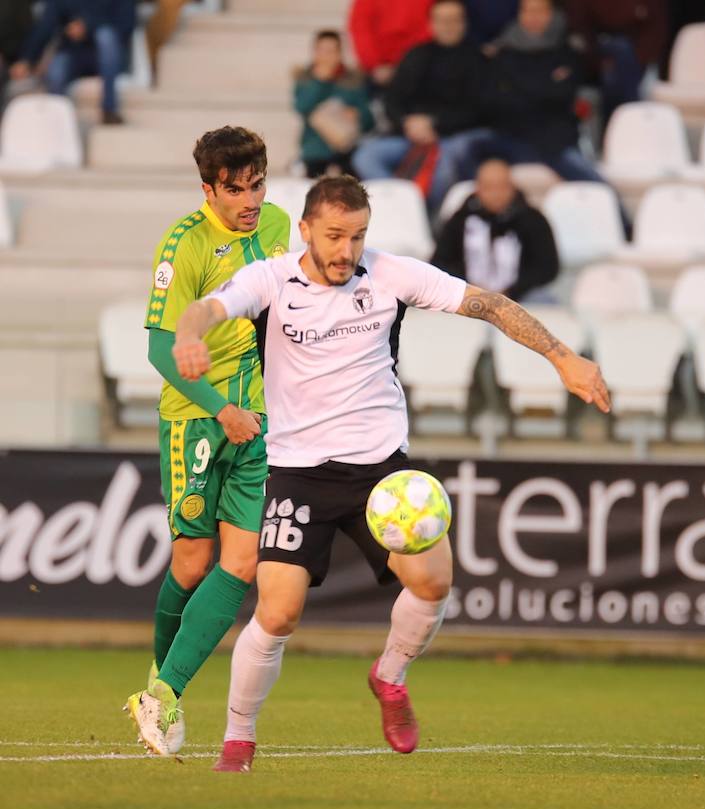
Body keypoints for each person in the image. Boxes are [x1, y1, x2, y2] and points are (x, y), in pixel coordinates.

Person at [165, 176, 610, 772]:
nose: (346, 249)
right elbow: (210, 307)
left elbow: (491, 305)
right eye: (333, 236)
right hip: (299, 471)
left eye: (357, 235)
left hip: (381, 470)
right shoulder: (272, 280)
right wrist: (191, 334)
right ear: (305, 232)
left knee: (432, 583)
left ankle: (389, 677)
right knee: (278, 612)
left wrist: (563, 358)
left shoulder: (391, 275)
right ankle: (238, 740)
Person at [123, 127, 292, 756]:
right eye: (235, 189)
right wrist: (220, 409)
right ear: (208, 190)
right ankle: (157, 685)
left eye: (257, 184)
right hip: (198, 420)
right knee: (192, 563)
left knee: (241, 565)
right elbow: (159, 349)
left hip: (262, 422)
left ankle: (162, 695)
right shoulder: (185, 245)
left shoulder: (277, 225)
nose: (250, 199)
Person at [457, 0, 609, 184]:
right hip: (509, 138)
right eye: (527, 11)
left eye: (540, 11)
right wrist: (544, 86)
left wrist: (516, 89)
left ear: (552, 14)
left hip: (555, 141)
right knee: (464, 148)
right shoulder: (503, 53)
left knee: (596, 184)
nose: (533, 17)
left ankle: (620, 213)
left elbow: (563, 96)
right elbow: (491, 101)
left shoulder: (567, 51)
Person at [353, 0, 485, 211]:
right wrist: (408, 123)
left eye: (454, 20)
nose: (448, 26)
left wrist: (435, 124)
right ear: (431, 23)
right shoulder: (415, 54)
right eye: (442, 20)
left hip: (452, 138)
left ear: (464, 23)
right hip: (411, 136)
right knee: (366, 155)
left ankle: (430, 222)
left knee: (446, 164)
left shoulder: (478, 60)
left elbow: (479, 109)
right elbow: (393, 100)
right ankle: (404, 210)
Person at [432, 158, 560, 301]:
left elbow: (547, 267)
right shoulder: (460, 219)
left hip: (519, 297)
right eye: (489, 188)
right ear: (478, 189)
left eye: (502, 187)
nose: (496, 194)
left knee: (544, 300)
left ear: (513, 187)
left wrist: (512, 290)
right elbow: (440, 262)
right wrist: (468, 286)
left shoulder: (533, 220)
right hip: (467, 296)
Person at [12, 0, 135, 125]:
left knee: (105, 36)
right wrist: (26, 59)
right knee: (56, 71)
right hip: (74, 55)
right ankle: (58, 122)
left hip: (109, 59)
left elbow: (127, 25)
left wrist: (88, 26)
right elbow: (45, 26)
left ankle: (109, 110)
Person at [566, 0, 667, 137]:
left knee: (621, 58)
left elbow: (657, 28)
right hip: (595, 58)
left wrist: (640, 58)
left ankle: (612, 133)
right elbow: (579, 29)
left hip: (636, 60)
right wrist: (598, 62)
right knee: (616, 59)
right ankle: (630, 130)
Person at [294, 30, 375, 178]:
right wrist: (319, 81)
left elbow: (369, 119)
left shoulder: (353, 79)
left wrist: (357, 115)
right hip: (315, 150)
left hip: (347, 149)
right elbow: (301, 107)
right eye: (322, 50)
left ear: (339, 53)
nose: (327, 56)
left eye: (331, 51)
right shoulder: (305, 79)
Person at [348, 0, 434, 91]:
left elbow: (435, 24)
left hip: (423, 67)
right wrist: (375, 65)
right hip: (381, 72)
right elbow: (361, 28)